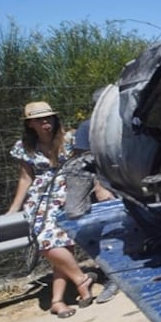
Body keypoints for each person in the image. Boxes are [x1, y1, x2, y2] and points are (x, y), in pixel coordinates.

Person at [3, 101, 97, 318]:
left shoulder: (70, 138)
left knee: (62, 247)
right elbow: (26, 178)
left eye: (48, 117)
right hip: (40, 199)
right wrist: (13, 209)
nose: (45, 122)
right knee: (48, 244)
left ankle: (57, 301)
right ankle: (82, 280)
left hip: (69, 193)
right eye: (39, 119)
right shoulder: (24, 147)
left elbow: (87, 163)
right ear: (30, 124)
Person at [64, 117, 121, 303]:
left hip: (126, 181)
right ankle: (114, 277)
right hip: (105, 186)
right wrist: (100, 187)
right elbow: (85, 161)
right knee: (105, 234)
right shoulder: (88, 127)